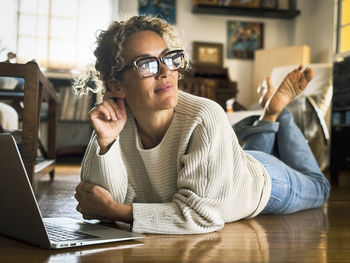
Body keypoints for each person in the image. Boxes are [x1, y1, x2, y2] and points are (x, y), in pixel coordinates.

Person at [74, 15, 330, 234]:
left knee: (320, 188)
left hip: (260, 182)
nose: (166, 71)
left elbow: (202, 216)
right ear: (116, 85)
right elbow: (96, 201)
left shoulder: (204, 116)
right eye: (147, 64)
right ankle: (270, 115)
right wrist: (106, 142)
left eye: (169, 58)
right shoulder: (115, 122)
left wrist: (117, 211)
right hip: (224, 169)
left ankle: (278, 114)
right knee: (243, 156)